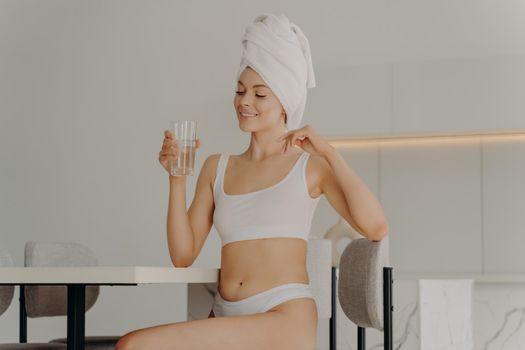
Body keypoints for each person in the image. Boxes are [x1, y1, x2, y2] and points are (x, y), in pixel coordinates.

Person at [116, 13, 388, 350]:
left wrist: (330, 153)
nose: (244, 102)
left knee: (133, 346)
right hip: (226, 312)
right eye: (240, 90)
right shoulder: (217, 167)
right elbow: (183, 255)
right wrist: (176, 179)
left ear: (285, 103)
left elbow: (376, 227)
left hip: (284, 315)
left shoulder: (311, 167)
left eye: (260, 95)